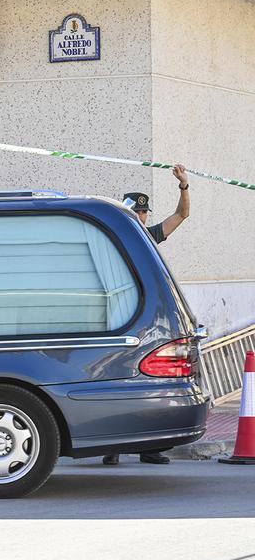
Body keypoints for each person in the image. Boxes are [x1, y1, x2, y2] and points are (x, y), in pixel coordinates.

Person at [104, 163, 192, 466]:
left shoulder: (149, 237)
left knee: (150, 382)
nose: (143, 217)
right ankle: (110, 445)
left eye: (144, 213)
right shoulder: (112, 238)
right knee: (115, 380)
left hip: (145, 319)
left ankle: (149, 448)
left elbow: (182, 215)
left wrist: (183, 185)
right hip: (117, 318)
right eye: (137, 212)